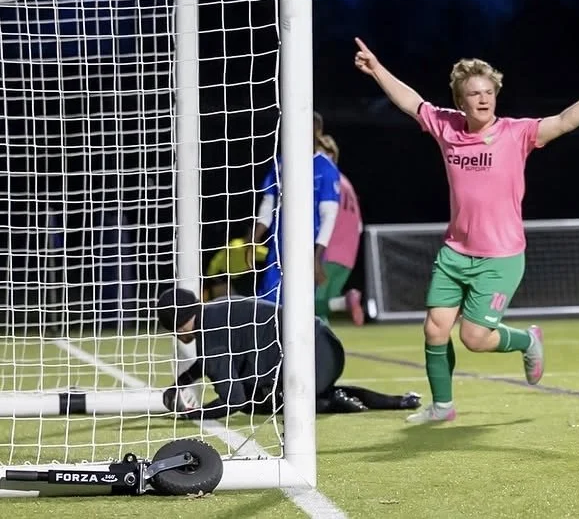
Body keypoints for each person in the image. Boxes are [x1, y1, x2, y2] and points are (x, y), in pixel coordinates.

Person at [353, 37, 579, 424]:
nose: (483, 99)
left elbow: (563, 122)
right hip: (455, 252)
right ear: (460, 101)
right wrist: (377, 69)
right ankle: (442, 407)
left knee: (474, 339)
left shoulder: (516, 133)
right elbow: (411, 102)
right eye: (474, 93)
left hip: (500, 257)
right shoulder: (446, 126)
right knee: (435, 330)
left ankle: (527, 340)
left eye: (489, 92)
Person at [154, 287, 420, 419]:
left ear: (177, 326)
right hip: (325, 346)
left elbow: (233, 401)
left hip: (309, 359)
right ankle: (400, 401)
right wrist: (181, 383)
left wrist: (192, 414)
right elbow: (210, 362)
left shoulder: (209, 338)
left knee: (253, 403)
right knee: (271, 388)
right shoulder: (217, 308)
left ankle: (331, 403)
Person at [248, 112, 340, 304]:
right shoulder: (281, 163)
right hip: (277, 251)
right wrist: (254, 240)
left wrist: (316, 258)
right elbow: (269, 203)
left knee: (299, 306)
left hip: (306, 253)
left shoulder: (326, 169)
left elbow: (329, 217)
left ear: (317, 131)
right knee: (267, 306)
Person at [314, 133, 366, 326]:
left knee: (308, 306)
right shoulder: (347, 184)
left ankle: (345, 301)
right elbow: (359, 226)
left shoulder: (325, 179)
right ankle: (343, 303)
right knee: (321, 310)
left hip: (327, 253)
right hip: (348, 257)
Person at [201, 227, 268, 301]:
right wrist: (210, 277)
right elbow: (217, 260)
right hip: (221, 278)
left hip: (235, 279)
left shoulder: (255, 250)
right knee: (228, 303)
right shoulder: (237, 246)